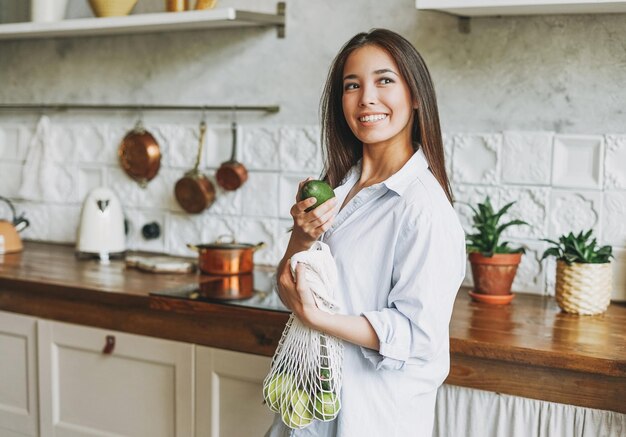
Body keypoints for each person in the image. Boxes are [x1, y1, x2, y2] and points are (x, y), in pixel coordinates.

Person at [266, 28, 466, 437]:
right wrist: (302, 237)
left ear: (415, 95)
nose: (366, 98)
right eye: (352, 85)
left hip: (372, 420)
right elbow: (289, 288)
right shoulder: (337, 191)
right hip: (310, 413)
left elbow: (417, 336)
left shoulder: (422, 208)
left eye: (384, 81)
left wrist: (317, 318)